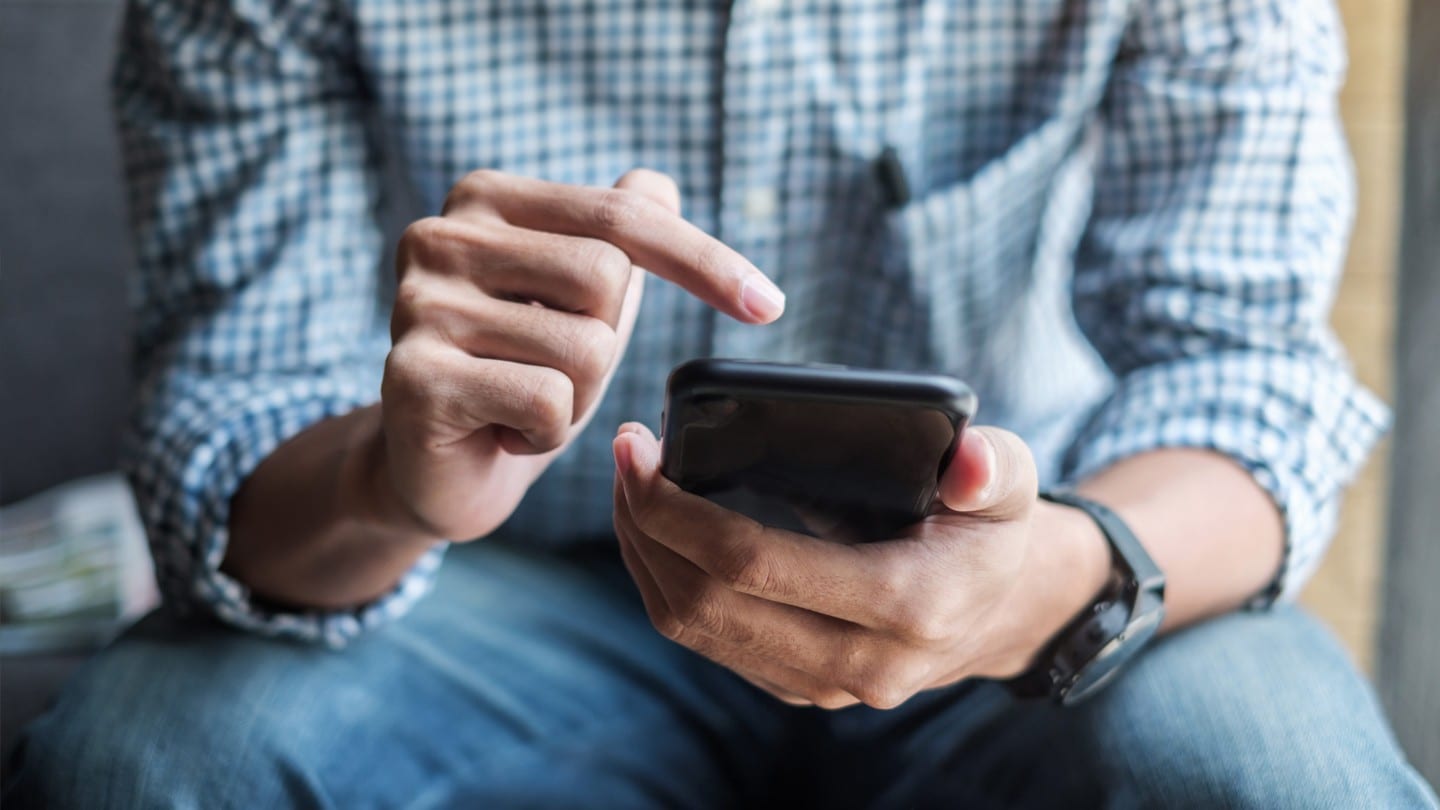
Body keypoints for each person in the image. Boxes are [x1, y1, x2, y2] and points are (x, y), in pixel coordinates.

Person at [6, 0, 1437, 806]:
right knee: (147, 759)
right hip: (492, 597)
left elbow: (1242, 366)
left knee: (1283, 774)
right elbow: (226, 439)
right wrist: (395, 476)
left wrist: (1056, 574)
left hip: (1040, 590)